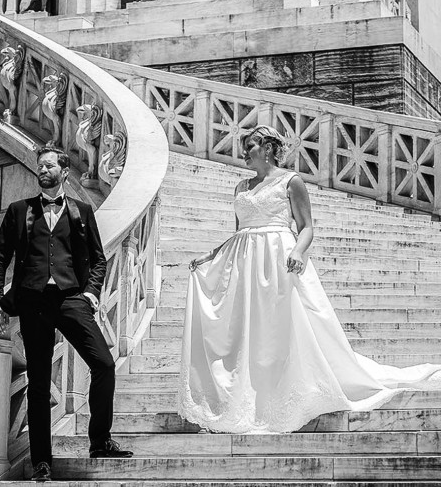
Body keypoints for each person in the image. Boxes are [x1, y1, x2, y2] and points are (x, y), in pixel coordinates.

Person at [178, 125, 441, 433]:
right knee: (245, 328)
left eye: (250, 146)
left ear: (267, 148)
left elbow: (306, 226)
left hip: (279, 257)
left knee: (281, 325)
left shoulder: (291, 181)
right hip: (243, 262)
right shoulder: (241, 187)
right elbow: (239, 231)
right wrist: (210, 255)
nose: (244, 152)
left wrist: (299, 251)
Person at [0, 146, 132, 481]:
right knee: (38, 383)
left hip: (71, 299)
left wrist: (91, 293)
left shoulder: (82, 210)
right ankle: (42, 461)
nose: (43, 169)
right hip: (32, 302)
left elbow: (98, 259)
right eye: (40, 165)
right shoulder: (19, 210)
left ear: (64, 172)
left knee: (104, 364)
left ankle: (100, 441)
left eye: (49, 165)